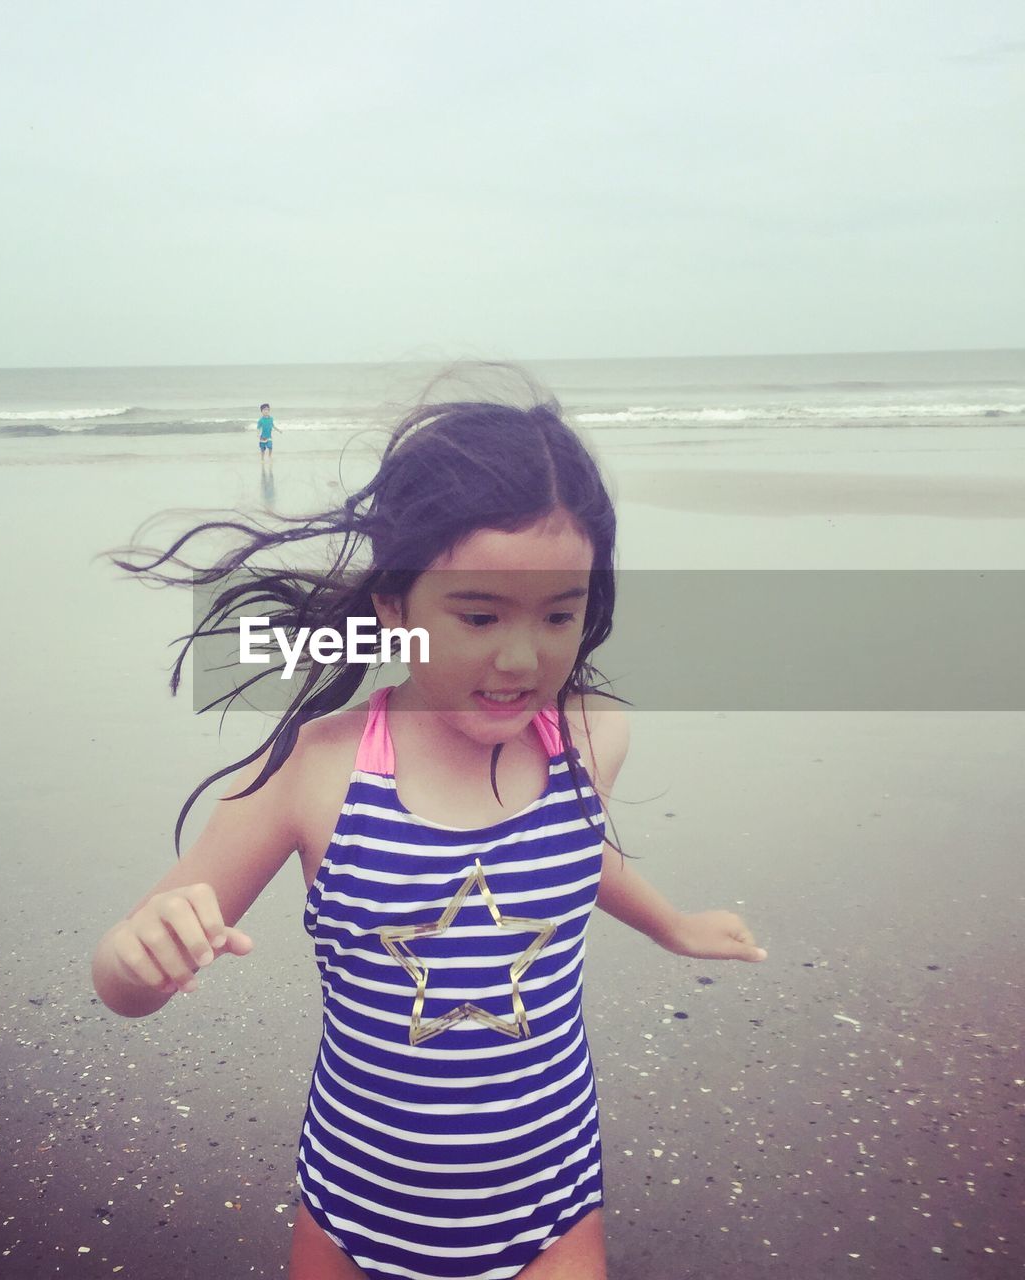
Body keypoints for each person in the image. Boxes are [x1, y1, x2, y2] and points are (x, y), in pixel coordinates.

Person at [92, 375, 766, 1280]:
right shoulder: (314, 771)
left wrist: (671, 923)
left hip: (552, 1207)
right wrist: (138, 961)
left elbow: (571, 860)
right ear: (395, 609)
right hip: (354, 1212)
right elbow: (123, 981)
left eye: (560, 614)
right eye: (479, 614)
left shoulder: (591, 736)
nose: (521, 656)